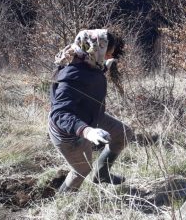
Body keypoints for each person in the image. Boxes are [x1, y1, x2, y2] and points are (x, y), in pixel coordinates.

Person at [49, 29, 133, 192]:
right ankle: (62, 201)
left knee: (123, 133)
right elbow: (59, 113)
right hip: (70, 132)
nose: (110, 55)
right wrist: (87, 131)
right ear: (97, 49)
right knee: (82, 170)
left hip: (91, 115)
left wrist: (104, 68)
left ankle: (101, 174)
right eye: (109, 52)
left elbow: (88, 77)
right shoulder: (72, 74)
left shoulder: (87, 60)